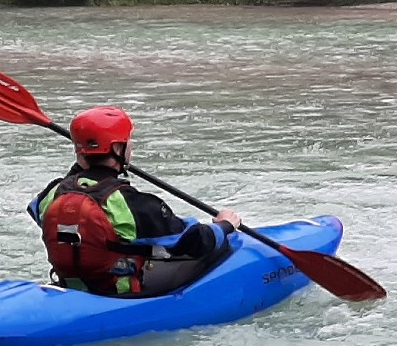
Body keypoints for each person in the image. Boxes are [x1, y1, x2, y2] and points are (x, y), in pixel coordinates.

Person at [27, 105, 244, 297]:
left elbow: (39, 211)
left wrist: (83, 163)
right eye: (127, 142)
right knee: (218, 249)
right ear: (118, 149)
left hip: (70, 286)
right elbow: (193, 241)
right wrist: (224, 226)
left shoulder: (53, 193)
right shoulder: (129, 203)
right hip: (119, 293)